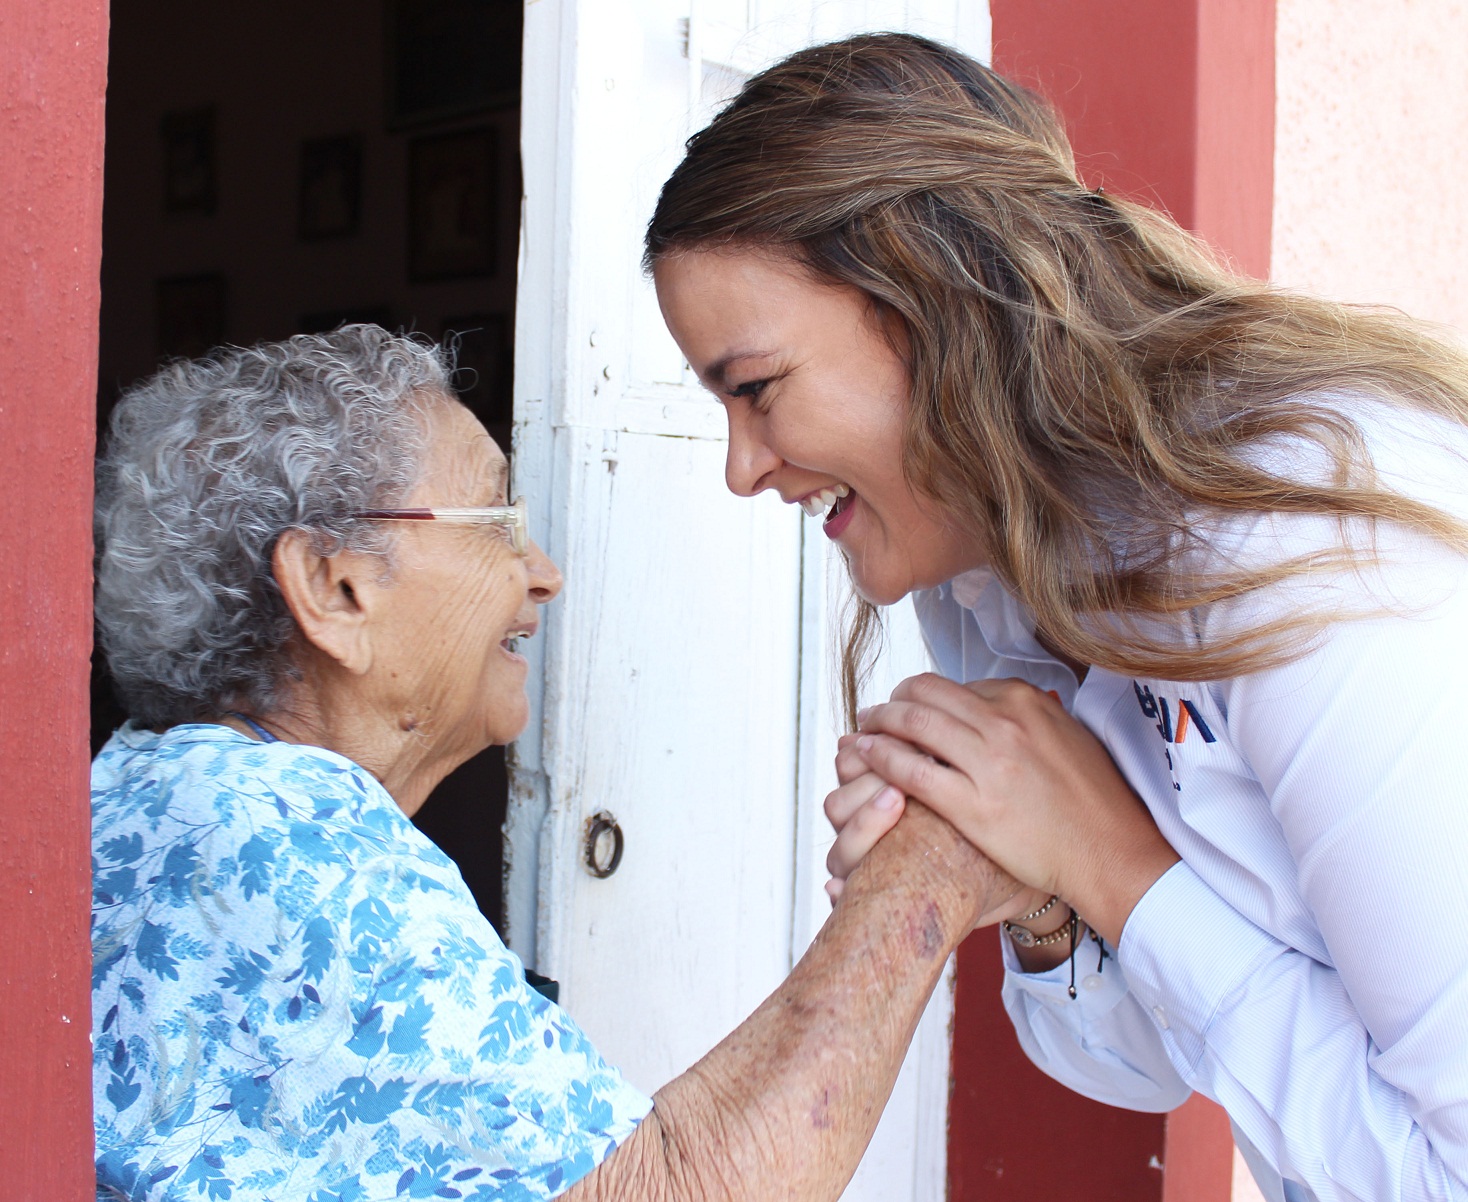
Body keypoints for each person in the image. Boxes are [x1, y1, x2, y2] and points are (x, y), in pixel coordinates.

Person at [647, 31, 1468, 1202]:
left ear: (930, 305)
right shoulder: (988, 576)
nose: (742, 468)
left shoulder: (1308, 551)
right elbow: (1140, 1063)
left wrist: (1106, 859)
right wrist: (1030, 888)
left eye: (756, 388)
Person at [90, 324, 1014, 1201]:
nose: (543, 572)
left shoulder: (156, 791)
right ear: (335, 588)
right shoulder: (290, 844)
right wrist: (931, 858)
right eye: (495, 518)